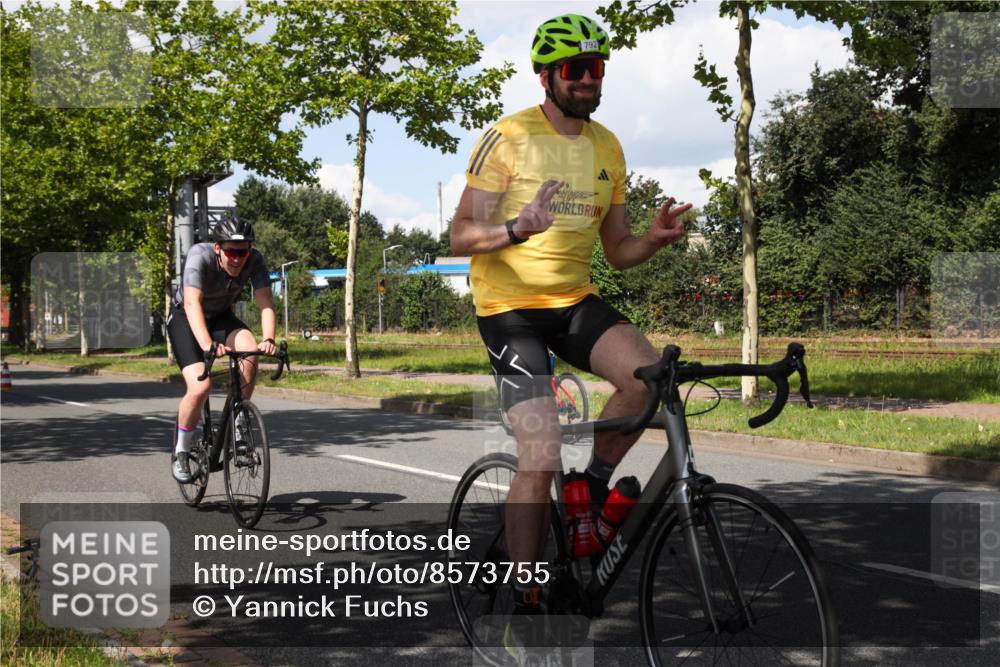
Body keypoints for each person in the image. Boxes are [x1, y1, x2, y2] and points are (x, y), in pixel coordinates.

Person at [449, 11, 691, 637]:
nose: (588, 78)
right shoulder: (508, 137)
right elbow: (459, 236)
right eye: (576, 68)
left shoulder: (608, 146)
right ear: (547, 76)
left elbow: (618, 251)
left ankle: (593, 488)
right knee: (541, 449)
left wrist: (652, 240)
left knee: (648, 378)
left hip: (573, 299)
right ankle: (527, 598)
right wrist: (515, 229)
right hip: (509, 310)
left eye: (597, 67)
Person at [166, 215, 277, 483]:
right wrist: (207, 345)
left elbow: (265, 303)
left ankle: (238, 422)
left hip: (220, 316)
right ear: (218, 248)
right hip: (186, 318)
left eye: (243, 252)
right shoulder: (199, 255)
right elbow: (192, 303)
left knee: (250, 350)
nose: (238, 259)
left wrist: (269, 339)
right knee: (200, 387)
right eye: (231, 252)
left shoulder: (255, 259)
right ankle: (182, 450)